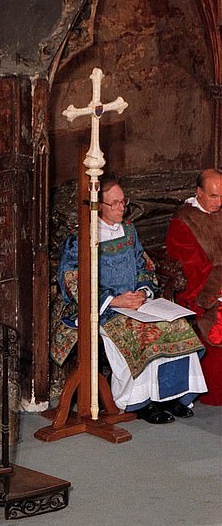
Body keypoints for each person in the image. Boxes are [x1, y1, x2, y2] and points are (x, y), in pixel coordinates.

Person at [51, 175, 207, 423]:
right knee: (142, 334)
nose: (122, 208)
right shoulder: (81, 238)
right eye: (114, 203)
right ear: (98, 206)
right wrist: (114, 301)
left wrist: (143, 292)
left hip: (137, 303)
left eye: (123, 202)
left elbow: (144, 266)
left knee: (176, 327)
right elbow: (72, 281)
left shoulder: (129, 230)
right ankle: (139, 402)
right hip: (102, 309)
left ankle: (170, 397)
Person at [165, 168, 222, 405]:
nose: (219, 202)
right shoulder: (183, 223)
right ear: (198, 193)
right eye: (213, 196)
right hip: (204, 291)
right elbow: (192, 269)